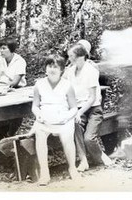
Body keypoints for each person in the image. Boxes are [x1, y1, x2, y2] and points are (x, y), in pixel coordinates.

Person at [63, 43, 112, 172]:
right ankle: (83, 160)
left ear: (81, 57)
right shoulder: (71, 71)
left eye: (72, 56)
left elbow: (91, 98)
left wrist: (79, 112)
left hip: (93, 109)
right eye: (69, 56)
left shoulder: (91, 71)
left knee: (89, 139)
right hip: (78, 108)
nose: (69, 59)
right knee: (74, 125)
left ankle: (100, 156)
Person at [32, 54, 79, 186]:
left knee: (67, 137)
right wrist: (38, 115)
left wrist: (66, 118)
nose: (52, 69)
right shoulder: (39, 84)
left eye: (55, 67)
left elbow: (74, 108)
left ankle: (72, 168)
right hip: (45, 119)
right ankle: (44, 172)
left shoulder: (67, 85)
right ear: (45, 68)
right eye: (49, 66)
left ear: (61, 70)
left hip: (63, 118)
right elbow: (35, 106)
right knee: (40, 134)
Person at [0, 37, 27, 142]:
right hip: (2, 90)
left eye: (4, 48)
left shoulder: (20, 61)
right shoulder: (0, 61)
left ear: (11, 49)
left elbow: (15, 82)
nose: (1, 51)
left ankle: (10, 135)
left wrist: (4, 87)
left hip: (17, 90)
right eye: (0, 48)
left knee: (15, 112)